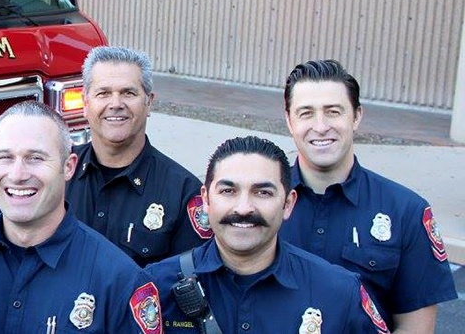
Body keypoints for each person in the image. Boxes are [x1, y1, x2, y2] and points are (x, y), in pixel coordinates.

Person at [0, 101, 162, 334]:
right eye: (5, 157)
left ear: (68, 166)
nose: (18, 174)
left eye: (35, 158)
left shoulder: (119, 281)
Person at [145, 136, 391, 333]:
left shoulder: (338, 293)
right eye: (228, 190)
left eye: (262, 193)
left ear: (288, 203)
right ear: (206, 200)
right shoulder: (156, 287)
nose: (243, 208)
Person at [279, 60, 455, 333]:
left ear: (357, 116)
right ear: (290, 121)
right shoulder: (258, 203)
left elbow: (414, 328)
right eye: (306, 113)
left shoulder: (405, 212)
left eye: (333, 111)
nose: (321, 126)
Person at [68, 46, 209, 266]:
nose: (116, 104)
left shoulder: (183, 193)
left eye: (128, 93)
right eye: (103, 93)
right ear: (86, 103)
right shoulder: (58, 174)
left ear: (149, 102)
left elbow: (188, 285)